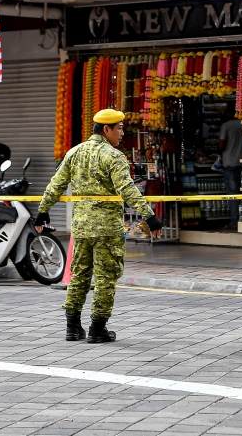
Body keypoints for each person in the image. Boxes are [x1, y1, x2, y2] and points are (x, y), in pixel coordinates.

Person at [37, 109, 164, 343]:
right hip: (107, 229)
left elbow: (56, 184)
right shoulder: (113, 156)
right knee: (106, 276)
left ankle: (73, 327)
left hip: (82, 228)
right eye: (120, 128)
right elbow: (127, 189)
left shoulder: (74, 152)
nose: (122, 133)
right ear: (106, 129)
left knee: (80, 275)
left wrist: (43, 211)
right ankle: (98, 328)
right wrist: (149, 216)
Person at [217, 106, 242, 229]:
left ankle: (234, 221)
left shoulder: (226, 126)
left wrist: (217, 150)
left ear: (229, 112)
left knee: (233, 194)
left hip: (230, 163)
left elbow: (221, 145)